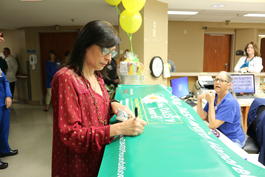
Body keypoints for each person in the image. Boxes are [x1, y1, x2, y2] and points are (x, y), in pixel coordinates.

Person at [51, 20, 147, 177]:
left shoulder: (98, 76)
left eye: (113, 53)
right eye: (105, 51)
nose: (109, 59)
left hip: (98, 160)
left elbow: (96, 108)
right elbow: (71, 135)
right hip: (76, 166)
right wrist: (120, 128)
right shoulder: (66, 79)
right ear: (86, 45)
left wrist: (113, 105)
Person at [197, 71, 245, 147]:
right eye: (216, 79)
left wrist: (211, 102)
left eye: (222, 81)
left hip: (232, 140)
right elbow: (203, 116)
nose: (217, 82)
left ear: (229, 85)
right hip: (220, 134)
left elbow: (213, 125)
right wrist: (199, 100)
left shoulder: (229, 102)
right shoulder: (215, 96)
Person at [0, 68, 18, 169]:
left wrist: (8, 95)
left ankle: (4, 150)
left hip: (3, 103)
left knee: (4, 129)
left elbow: (5, 81)